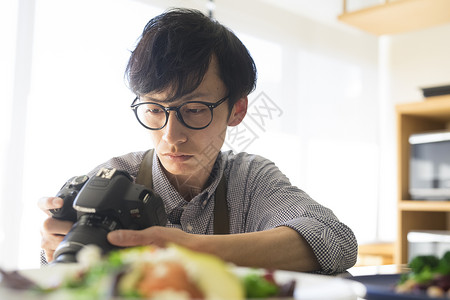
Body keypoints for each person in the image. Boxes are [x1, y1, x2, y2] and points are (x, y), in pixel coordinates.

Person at [38, 8, 357, 274]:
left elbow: (335, 240)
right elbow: (56, 278)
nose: (171, 136)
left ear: (237, 109)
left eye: (194, 110)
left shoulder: (250, 180)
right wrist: (57, 247)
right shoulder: (110, 183)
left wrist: (189, 249)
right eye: (153, 109)